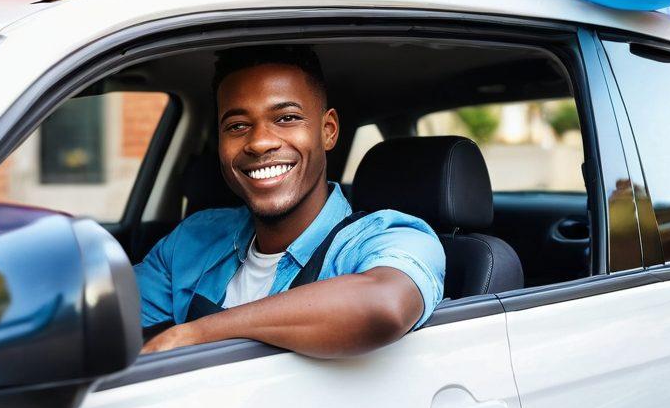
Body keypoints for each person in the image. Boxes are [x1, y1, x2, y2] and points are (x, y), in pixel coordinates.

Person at [135, 46, 445, 357]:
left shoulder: (391, 238)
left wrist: (195, 334)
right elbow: (110, 324)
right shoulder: (194, 238)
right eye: (237, 126)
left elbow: (384, 306)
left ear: (327, 131)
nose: (260, 142)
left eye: (286, 118)